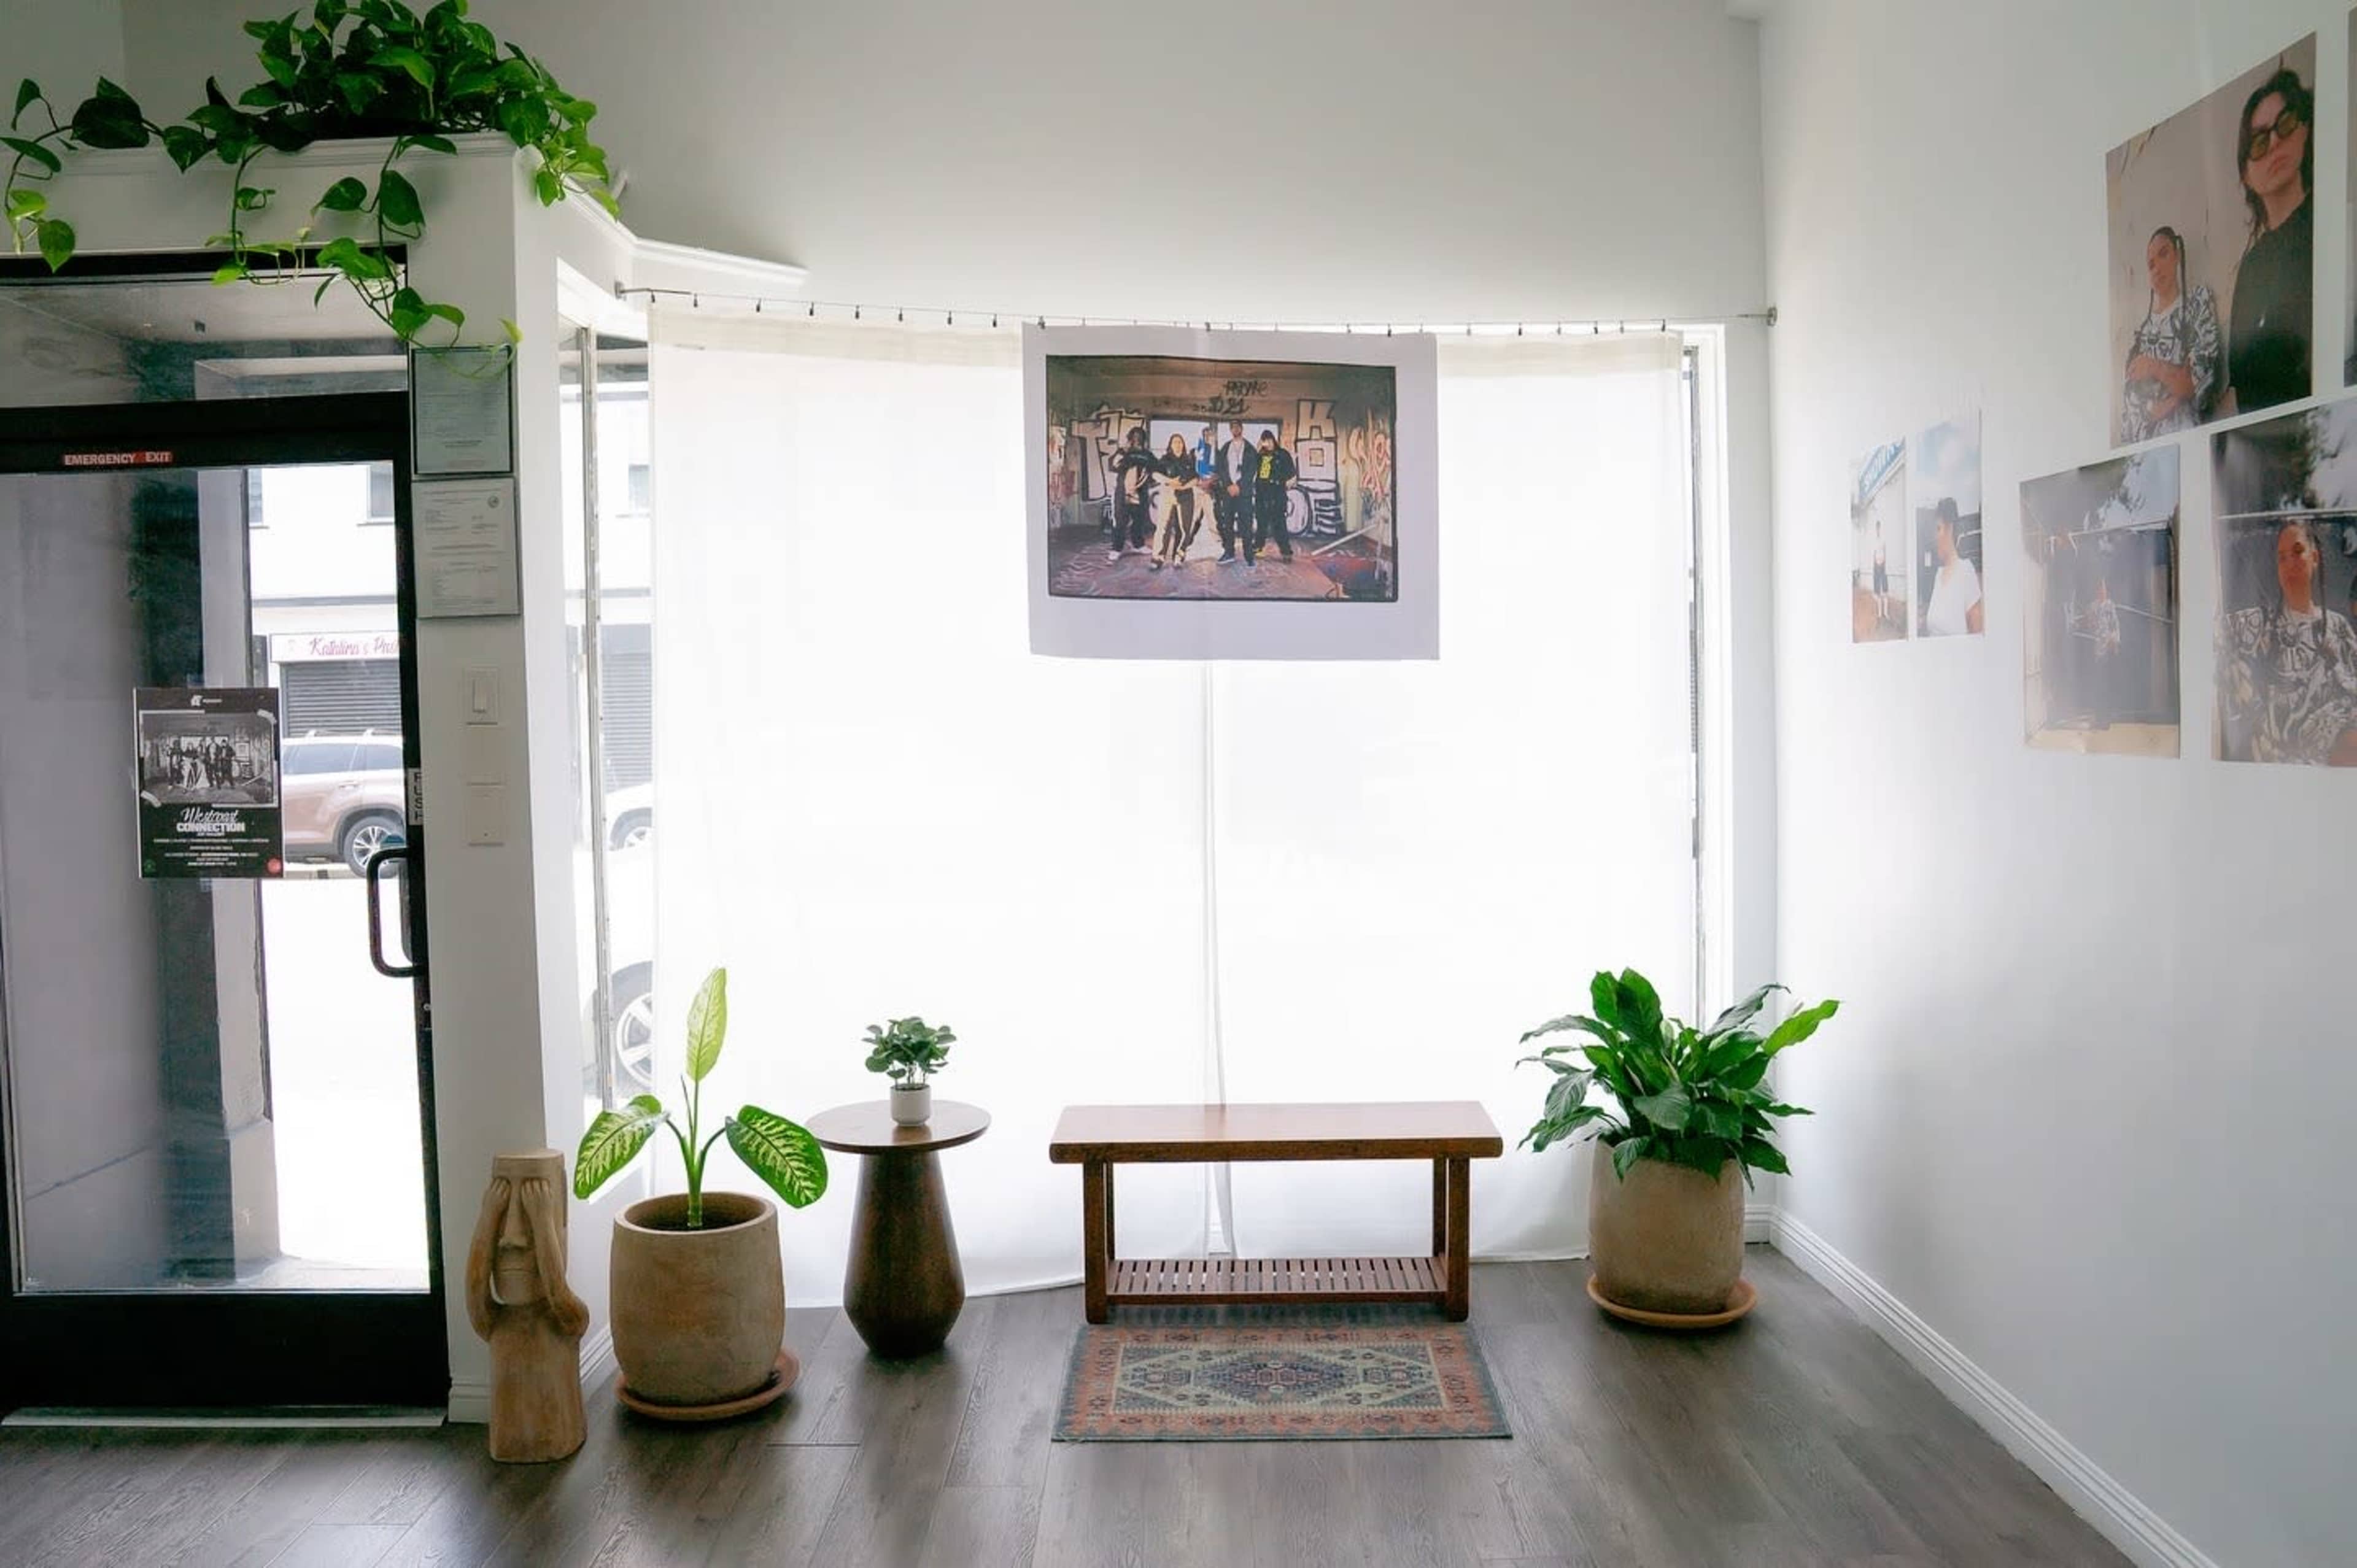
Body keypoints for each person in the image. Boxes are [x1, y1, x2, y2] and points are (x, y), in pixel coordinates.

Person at [2221, 520, 2357, 763]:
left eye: (2297, 552)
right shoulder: (2258, 624)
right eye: (2282, 558)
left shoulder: (2337, 628)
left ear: (2314, 558)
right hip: (2277, 771)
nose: (2289, 565)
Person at [2226, 68, 2312, 415]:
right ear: (2246, 174)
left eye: (2286, 125)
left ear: (2305, 130)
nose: (2275, 143)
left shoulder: (2339, 223)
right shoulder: (2252, 266)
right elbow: (2241, 383)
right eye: (2260, 142)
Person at [2121, 226, 2222, 441]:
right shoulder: (2142, 334)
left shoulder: (2197, 303)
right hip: (2147, 452)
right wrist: (2166, 395)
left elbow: (2196, 384)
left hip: (2189, 438)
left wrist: (2153, 367)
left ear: (2177, 255)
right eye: (2151, 265)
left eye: (2163, 254)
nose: (2157, 269)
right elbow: (2131, 409)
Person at [1921, 497, 1983, 636]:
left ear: (1950, 528)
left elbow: (1977, 633)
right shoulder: (1939, 574)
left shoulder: (1966, 571)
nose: (1935, 537)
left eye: (1939, 529)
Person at [1150, 433, 1201, 570]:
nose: (1178, 445)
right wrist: (1170, 481)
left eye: (1180, 442)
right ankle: (1158, 558)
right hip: (1168, 495)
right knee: (1163, 527)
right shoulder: (1165, 460)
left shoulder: (1189, 460)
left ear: (1183, 445)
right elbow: (1155, 474)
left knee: (1184, 528)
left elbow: (1196, 478)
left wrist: (1185, 486)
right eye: (1175, 442)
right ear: (1170, 445)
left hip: (1186, 496)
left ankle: (1179, 556)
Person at [1245, 430, 1296, 565]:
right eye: (1264, 441)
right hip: (1262, 492)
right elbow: (1250, 467)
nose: (1266, 443)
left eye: (1268, 440)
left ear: (1273, 440)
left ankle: (1286, 552)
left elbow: (1292, 473)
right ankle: (1258, 546)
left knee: (1279, 524)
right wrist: (1257, 451)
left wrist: (1285, 485)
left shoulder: (1283, 454)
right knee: (1261, 522)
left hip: (1276, 492)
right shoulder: (1260, 456)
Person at [1106, 426, 1155, 563]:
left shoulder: (1147, 455)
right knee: (1120, 522)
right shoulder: (1123, 452)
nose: (1137, 440)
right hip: (1123, 493)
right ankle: (1116, 549)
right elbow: (1113, 466)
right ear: (1130, 439)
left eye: (1140, 438)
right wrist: (1124, 453)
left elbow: (1156, 469)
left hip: (1140, 493)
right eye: (1134, 438)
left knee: (1139, 522)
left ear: (1144, 440)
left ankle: (1138, 545)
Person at [1214, 420, 1255, 562]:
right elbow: (1221, 469)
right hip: (1228, 492)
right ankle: (1229, 553)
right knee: (1228, 524)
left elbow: (1251, 471)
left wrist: (1239, 486)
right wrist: (1229, 485)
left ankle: (1249, 556)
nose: (1235, 429)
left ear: (1242, 429)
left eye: (1238, 427)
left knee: (1246, 525)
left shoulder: (1250, 448)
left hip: (1244, 494)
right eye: (1233, 427)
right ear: (1230, 430)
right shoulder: (1226, 448)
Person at [2084, 577, 2122, 727]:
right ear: (2097, 591)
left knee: (2107, 684)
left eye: (2104, 589)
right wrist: (2089, 623)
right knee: (2097, 685)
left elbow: (2115, 625)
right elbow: (2088, 625)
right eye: (2100, 589)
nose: (2103, 592)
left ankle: (2107, 718)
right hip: (2095, 650)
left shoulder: (2110, 606)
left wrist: (2115, 641)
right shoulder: (2092, 607)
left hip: (2108, 649)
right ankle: (2099, 717)